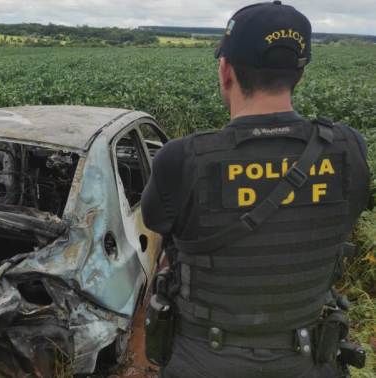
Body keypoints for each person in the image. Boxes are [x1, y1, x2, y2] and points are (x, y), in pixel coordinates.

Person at [141, 1, 371, 377]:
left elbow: (157, 224)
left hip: (203, 362)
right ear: (300, 73)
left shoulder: (182, 159)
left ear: (226, 71)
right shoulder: (349, 148)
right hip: (308, 360)